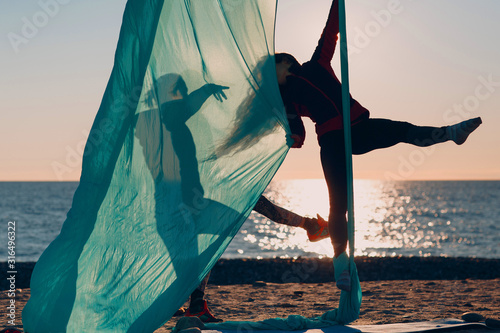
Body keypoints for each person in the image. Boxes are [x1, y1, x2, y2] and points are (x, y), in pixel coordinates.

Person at [275, 0, 482, 291]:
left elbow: (330, 31)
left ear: (287, 61)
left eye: (274, 68)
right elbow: (298, 134)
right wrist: (292, 138)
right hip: (332, 141)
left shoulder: (317, 64)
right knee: (338, 205)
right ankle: (340, 266)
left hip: (358, 128)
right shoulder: (287, 101)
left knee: (402, 130)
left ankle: (451, 133)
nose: (273, 77)